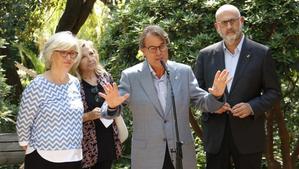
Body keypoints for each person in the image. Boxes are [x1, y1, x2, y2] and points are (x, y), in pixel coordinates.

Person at [118, 25, 230, 169]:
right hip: (147, 156)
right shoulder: (131, 76)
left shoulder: (183, 72)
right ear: (143, 51)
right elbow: (114, 107)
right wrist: (112, 105)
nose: (159, 52)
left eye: (162, 46)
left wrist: (216, 95)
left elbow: (202, 102)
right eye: (153, 48)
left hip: (181, 154)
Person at [16, 31, 125, 169]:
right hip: (43, 159)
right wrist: (35, 152)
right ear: (51, 54)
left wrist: (112, 107)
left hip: (74, 158)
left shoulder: (74, 83)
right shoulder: (37, 85)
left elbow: (73, 118)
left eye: (73, 53)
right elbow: (23, 127)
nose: (69, 57)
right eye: (63, 52)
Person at [194, 4, 281, 169]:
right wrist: (212, 105)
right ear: (216, 26)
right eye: (224, 23)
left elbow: (274, 92)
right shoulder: (205, 55)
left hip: (248, 134)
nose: (229, 27)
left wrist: (251, 106)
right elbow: (196, 93)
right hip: (216, 135)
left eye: (232, 21)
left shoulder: (261, 53)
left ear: (241, 21)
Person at [72, 40, 129, 169]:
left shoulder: (105, 77)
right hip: (85, 144)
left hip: (107, 139)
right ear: (76, 61)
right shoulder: (73, 83)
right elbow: (66, 117)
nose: (90, 59)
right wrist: (87, 116)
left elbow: (115, 106)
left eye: (91, 54)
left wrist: (113, 106)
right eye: (84, 57)